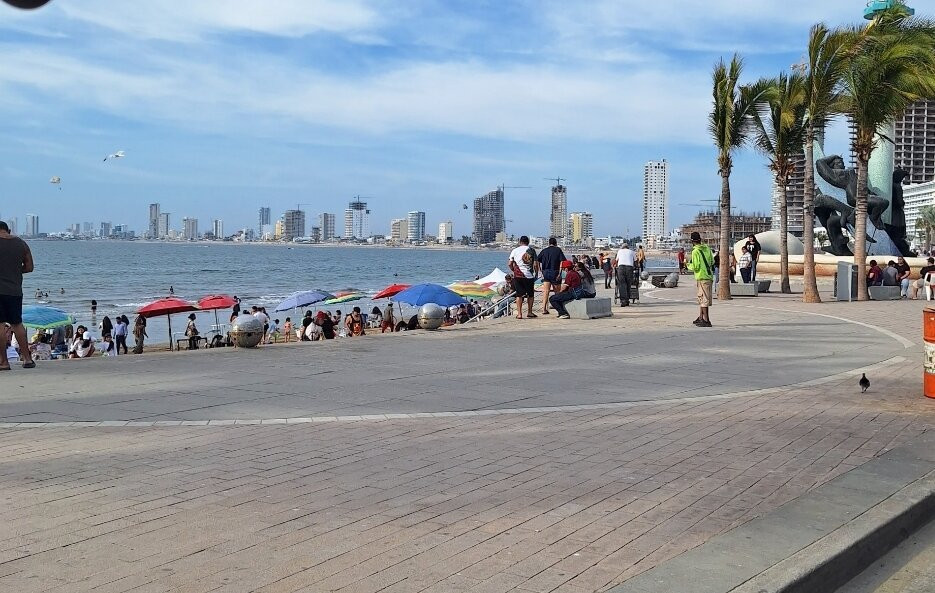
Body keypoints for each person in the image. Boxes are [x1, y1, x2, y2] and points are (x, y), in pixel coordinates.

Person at [0, 220, 36, 370]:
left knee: (0, 325)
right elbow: (29, 267)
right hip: (15, 291)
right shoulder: (21, 243)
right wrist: (15, 271)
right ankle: (27, 359)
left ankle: (3, 362)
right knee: (17, 323)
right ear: (8, 230)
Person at [686, 232, 714, 327]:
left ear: (692, 241)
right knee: (703, 298)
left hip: (701, 276)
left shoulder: (695, 251)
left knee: (703, 299)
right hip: (709, 276)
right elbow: (712, 261)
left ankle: (706, 320)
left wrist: (687, 265)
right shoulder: (707, 248)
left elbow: (696, 266)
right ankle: (701, 317)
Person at [508, 235, 539, 319]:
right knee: (530, 295)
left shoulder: (514, 250)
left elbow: (509, 264)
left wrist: (513, 270)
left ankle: (519, 314)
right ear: (528, 242)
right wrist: (536, 273)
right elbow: (536, 264)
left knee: (519, 295)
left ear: (520, 242)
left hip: (517, 276)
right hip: (529, 276)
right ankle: (529, 312)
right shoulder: (532, 250)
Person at [537, 237, 566, 315]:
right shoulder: (558, 250)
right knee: (557, 292)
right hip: (555, 272)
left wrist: (540, 271)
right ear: (556, 243)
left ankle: (544, 309)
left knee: (546, 291)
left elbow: (537, 260)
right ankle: (559, 310)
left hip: (545, 272)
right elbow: (562, 262)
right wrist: (560, 273)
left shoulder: (544, 251)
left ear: (549, 243)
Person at [613, 242, 635, 307]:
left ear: (622, 247)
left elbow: (616, 260)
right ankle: (627, 300)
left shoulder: (620, 251)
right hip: (629, 268)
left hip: (621, 268)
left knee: (622, 284)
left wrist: (614, 266)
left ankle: (623, 301)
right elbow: (636, 260)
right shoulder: (632, 251)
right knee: (628, 284)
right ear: (628, 247)